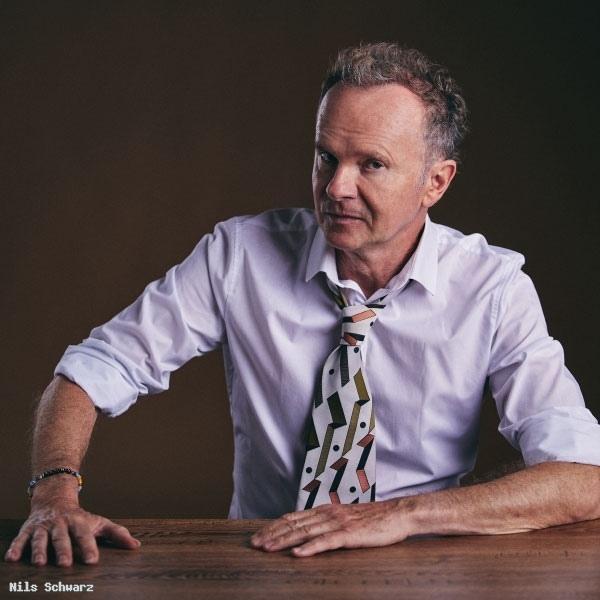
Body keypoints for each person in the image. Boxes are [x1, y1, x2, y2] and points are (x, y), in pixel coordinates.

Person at [5, 43, 600, 567]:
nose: (336, 187)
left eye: (371, 164)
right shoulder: (239, 256)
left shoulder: (493, 288)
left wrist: (402, 516)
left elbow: (583, 477)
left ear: (435, 182)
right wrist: (54, 494)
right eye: (326, 157)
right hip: (263, 561)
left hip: (425, 566)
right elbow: (93, 368)